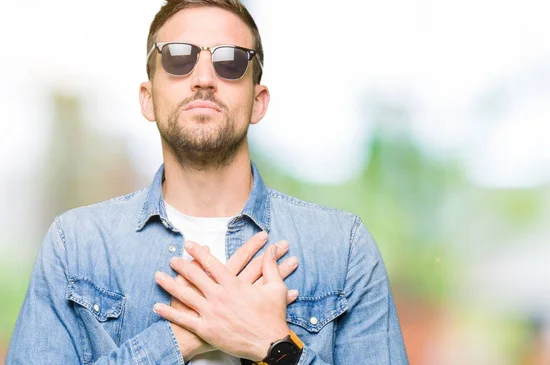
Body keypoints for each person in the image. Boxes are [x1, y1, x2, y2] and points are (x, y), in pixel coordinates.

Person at [6, 0, 409, 364]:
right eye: (178, 58)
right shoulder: (74, 246)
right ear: (147, 98)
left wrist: (273, 345)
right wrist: (178, 338)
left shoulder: (344, 249)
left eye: (230, 61)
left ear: (258, 101)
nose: (203, 78)